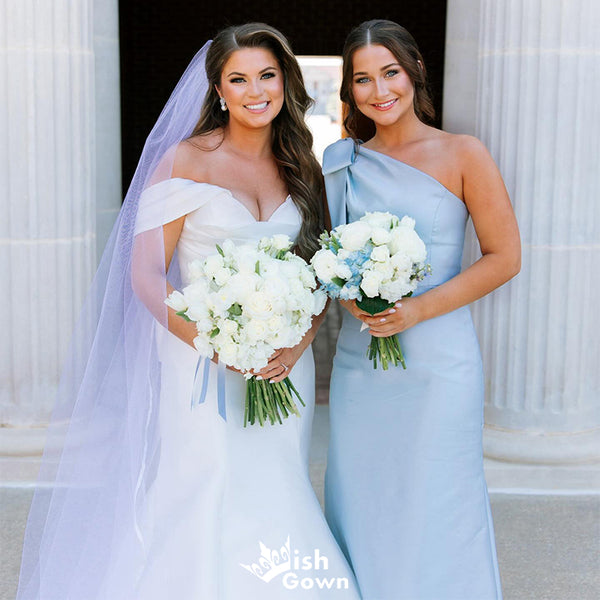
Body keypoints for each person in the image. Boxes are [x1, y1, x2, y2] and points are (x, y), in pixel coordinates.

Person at [17, 23, 359, 599]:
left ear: (285, 82)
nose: (256, 91)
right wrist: (216, 344)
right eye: (238, 79)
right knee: (208, 480)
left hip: (282, 364)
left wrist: (295, 346)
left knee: (276, 479)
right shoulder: (184, 161)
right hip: (200, 361)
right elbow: (146, 275)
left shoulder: (303, 165)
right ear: (218, 90)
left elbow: (319, 275)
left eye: (267, 75)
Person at [322, 19, 520, 600]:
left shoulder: (463, 153)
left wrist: (418, 310)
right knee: (365, 492)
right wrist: (351, 296)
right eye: (362, 79)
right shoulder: (340, 161)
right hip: (362, 360)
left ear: (415, 71)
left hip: (439, 360)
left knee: (439, 496)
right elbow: (327, 257)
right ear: (349, 89)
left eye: (390, 72)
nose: (378, 90)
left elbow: (504, 257)